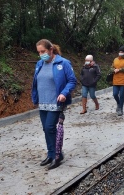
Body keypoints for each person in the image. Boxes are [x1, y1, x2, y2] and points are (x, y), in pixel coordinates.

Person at [32, 39, 77, 170]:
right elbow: (36, 82)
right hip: (43, 102)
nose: (41, 54)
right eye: (39, 52)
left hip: (56, 102)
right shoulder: (39, 64)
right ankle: (51, 153)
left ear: (51, 50)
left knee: (50, 127)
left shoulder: (63, 63)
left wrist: (64, 93)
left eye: (43, 51)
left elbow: (72, 81)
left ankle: (57, 155)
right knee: (46, 129)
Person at [111, 46, 124, 116]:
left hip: (123, 79)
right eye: (119, 52)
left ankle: (120, 109)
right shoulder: (115, 59)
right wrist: (114, 70)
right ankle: (118, 103)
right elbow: (111, 67)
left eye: (122, 52)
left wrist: (120, 69)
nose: (120, 53)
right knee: (115, 94)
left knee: (121, 94)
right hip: (116, 79)